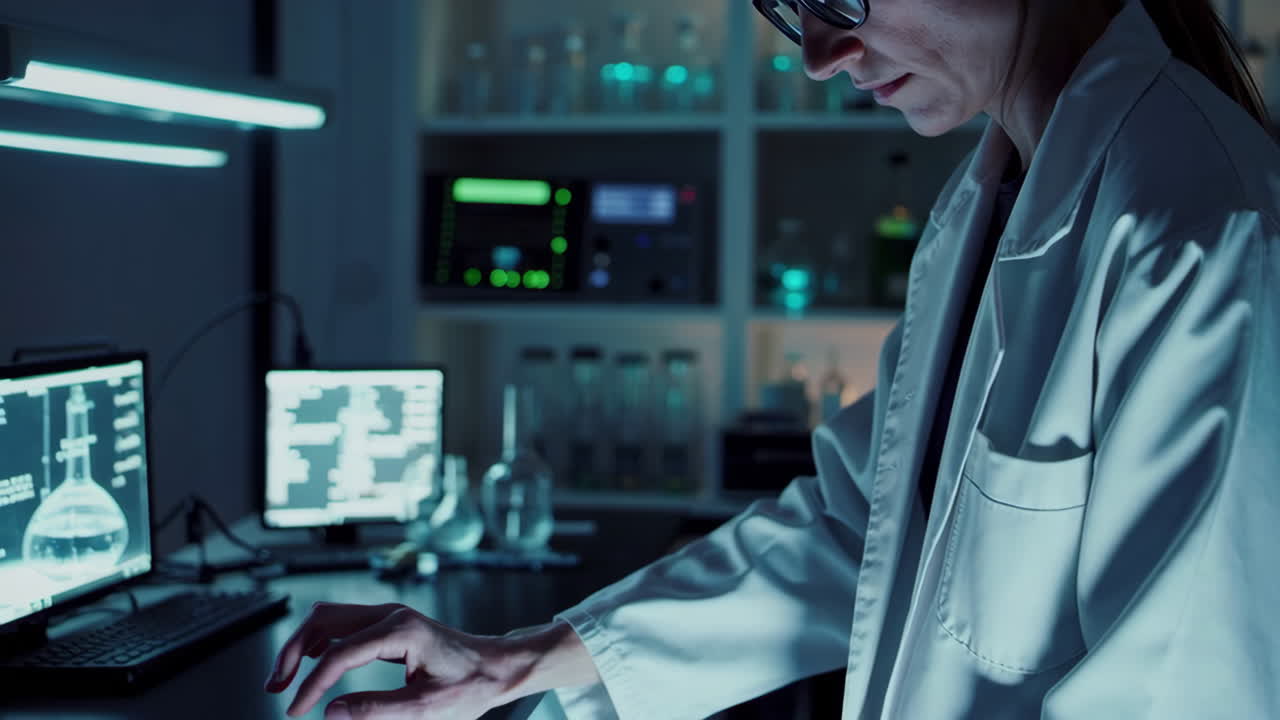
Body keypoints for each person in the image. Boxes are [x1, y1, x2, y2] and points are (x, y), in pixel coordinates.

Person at [265, 0, 1280, 717]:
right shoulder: (985, 203)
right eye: (790, 8)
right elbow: (851, 535)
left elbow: (1183, 688)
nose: (821, 54)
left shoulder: (1195, 221)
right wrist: (507, 664)